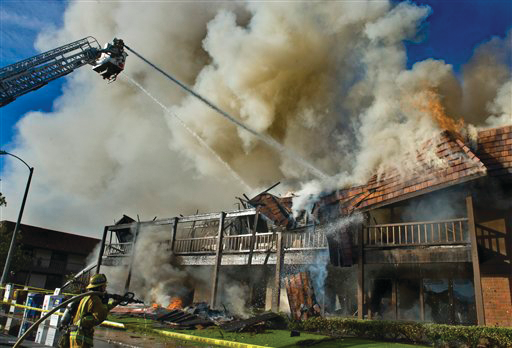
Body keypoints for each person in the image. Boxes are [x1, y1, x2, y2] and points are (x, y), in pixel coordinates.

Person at [68, 274, 118, 348]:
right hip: (82, 337)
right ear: (99, 287)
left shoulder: (86, 297)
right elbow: (99, 317)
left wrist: (113, 303)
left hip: (74, 335)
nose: (105, 288)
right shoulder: (95, 299)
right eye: (104, 286)